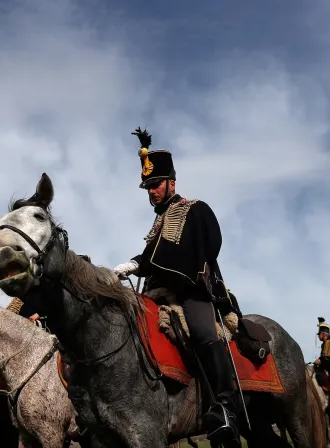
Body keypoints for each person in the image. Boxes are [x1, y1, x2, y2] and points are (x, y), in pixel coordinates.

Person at [112, 127, 240, 444]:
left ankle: (225, 407)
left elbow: (193, 249)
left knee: (205, 335)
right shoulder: (158, 223)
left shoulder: (194, 209)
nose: (151, 191)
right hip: (159, 297)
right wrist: (137, 263)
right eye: (147, 187)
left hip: (192, 292)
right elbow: (155, 255)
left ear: (172, 182)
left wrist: (141, 263)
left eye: (155, 184)